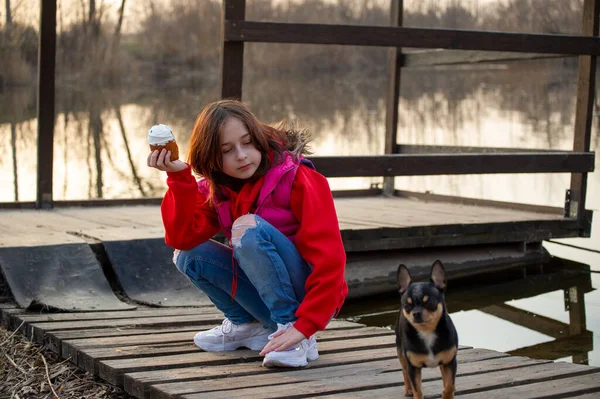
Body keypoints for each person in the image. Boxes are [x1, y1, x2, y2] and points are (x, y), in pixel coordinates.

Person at [147, 99, 348, 368]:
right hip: (267, 293)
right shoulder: (217, 189)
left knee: (247, 227)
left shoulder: (300, 179)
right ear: (211, 158)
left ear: (259, 139)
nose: (241, 155)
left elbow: (330, 261)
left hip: (305, 302)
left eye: (248, 142)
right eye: (227, 150)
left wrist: (305, 326)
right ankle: (249, 324)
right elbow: (181, 238)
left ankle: (291, 334)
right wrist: (179, 178)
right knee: (188, 255)